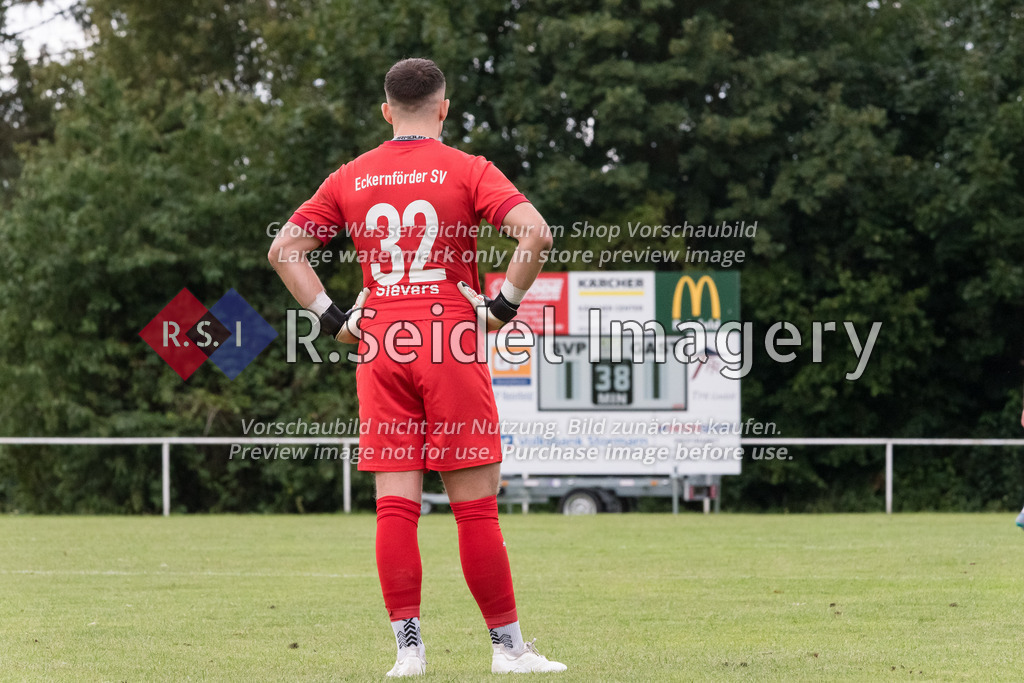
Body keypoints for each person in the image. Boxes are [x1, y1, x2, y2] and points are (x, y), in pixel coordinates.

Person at [268, 58, 565, 676]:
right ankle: (508, 651)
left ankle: (409, 651)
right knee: (476, 506)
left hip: (382, 342)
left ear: (385, 112)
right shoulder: (469, 169)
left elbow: (285, 250)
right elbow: (534, 235)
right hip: (449, 336)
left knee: (395, 504)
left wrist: (335, 318)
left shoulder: (351, 177)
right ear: (443, 108)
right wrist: (504, 306)